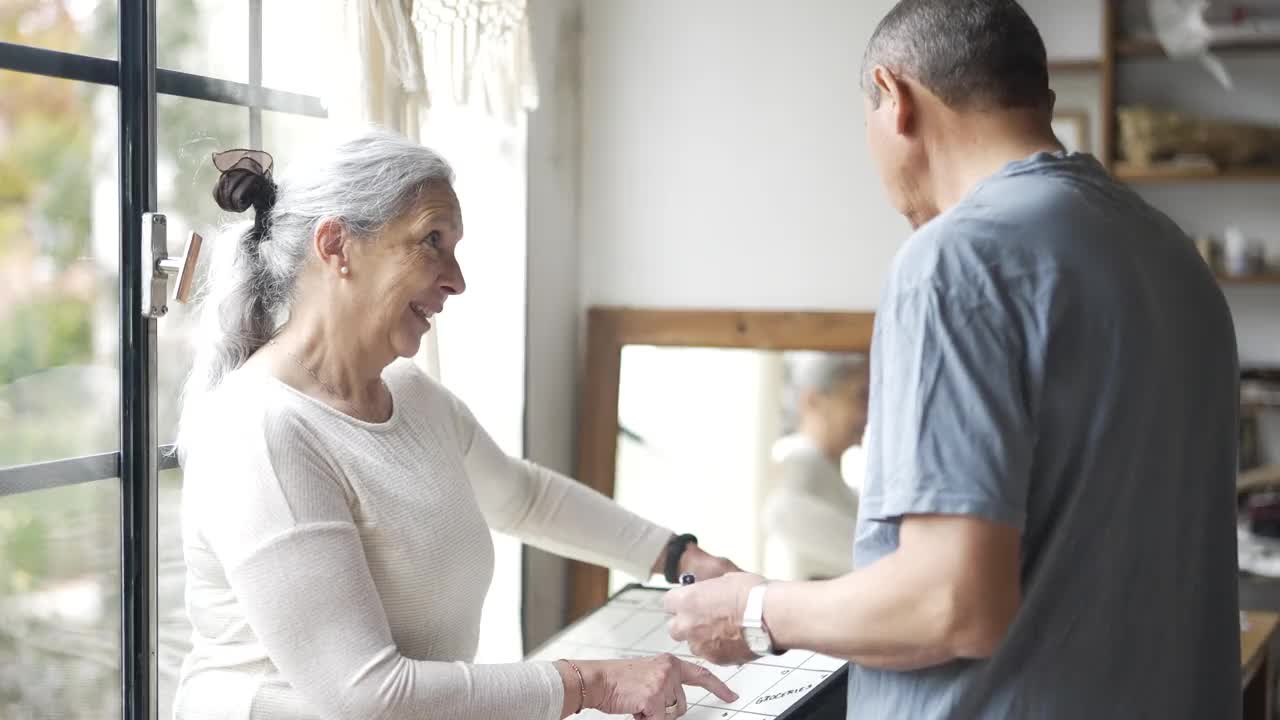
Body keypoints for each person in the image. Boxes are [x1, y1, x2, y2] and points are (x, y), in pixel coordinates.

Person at [663, 1, 1240, 718]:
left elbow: (952, 603)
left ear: (893, 98)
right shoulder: (1172, 255)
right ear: (1042, 102)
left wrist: (755, 612)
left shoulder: (955, 260)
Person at [173, 130, 739, 720]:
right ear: (337, 245)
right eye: (431, 242)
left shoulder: (410, 396)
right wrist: (592, 683)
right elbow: (366, 695)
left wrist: (681, 560)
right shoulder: (262, 431)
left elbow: (524, 498)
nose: (456, 279)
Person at [761, 352, 869, 580]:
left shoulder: (829, 473)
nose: (869, 413)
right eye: (861, 396)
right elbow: (780, 512)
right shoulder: (799, 468)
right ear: (813, 401)